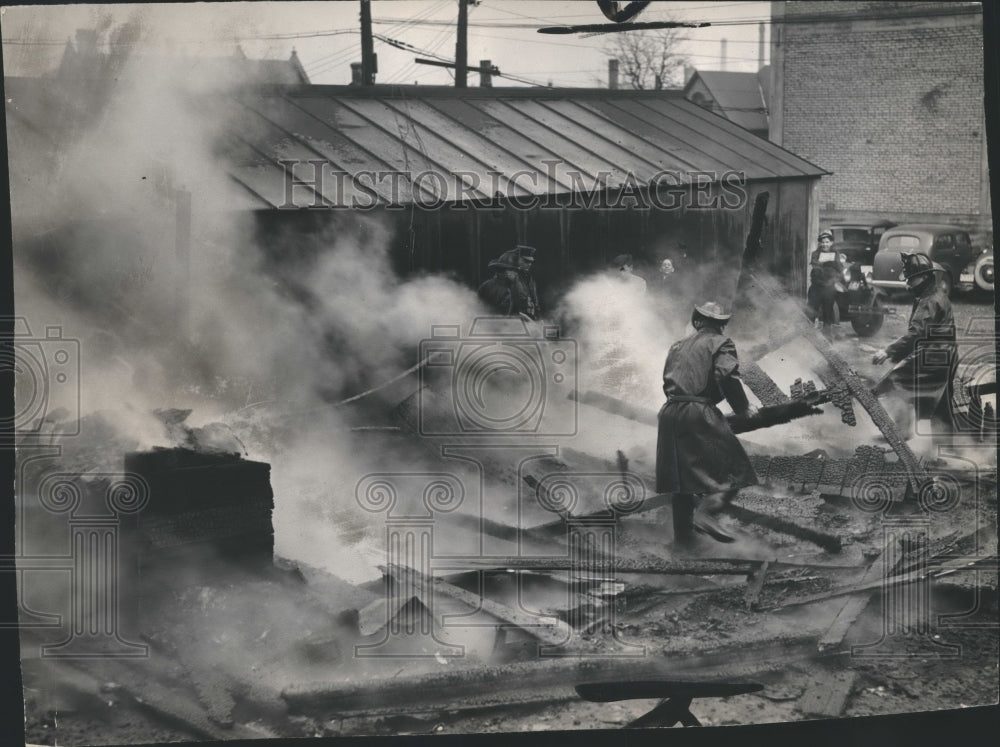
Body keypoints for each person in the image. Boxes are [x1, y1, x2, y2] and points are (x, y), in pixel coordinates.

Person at [656, 301, 759, 544]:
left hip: (670, 412)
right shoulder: (721, 343)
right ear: (721, 326)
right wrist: (743, 408)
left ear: (697, 321)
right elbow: (727, 377)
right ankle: (707, 512)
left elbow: (666, 382)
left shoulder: (677, 346)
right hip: (697, 411)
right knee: (736, 468)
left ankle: (684, 544)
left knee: (681, 482)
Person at [872, 252, 957, 439]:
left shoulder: (929, 301)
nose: (908, 284)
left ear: (925, 276)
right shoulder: (933, 293)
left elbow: (916, 334)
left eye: (912, 279)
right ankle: (944, 450)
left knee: (895, 381)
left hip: (933, 356)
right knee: (939, 403)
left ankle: (902, 433)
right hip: (945, 356)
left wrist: (887, 351)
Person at [477, 245, 541, 320]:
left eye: (516, 271)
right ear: (503, 270)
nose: (516, 274)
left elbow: (531, 305)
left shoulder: (526, 283)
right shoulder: (488, 286)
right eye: (512, 270)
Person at [807, 230, 845, 338]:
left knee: (828, 313)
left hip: (829, 289)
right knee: (811, 311)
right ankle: (809, 336)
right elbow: (816, 266)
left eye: (827, 242)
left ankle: (827, 338)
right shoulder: (815, 254)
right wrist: (828, 263)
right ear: (820, 243)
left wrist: (832, 266)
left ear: (831, 243)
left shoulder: (836, 253)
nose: (825, 244)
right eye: (823, 242)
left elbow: (839, 268)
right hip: (816, 288)